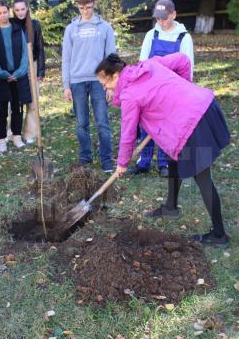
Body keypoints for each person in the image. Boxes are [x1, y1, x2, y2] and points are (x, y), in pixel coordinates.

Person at [96, 53, 231, 248]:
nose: (104, 87)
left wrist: (121, 164)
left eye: (104, 82)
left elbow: (128, 135)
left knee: (203, 178)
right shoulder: (149, 64)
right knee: (172, 158)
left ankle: (219, 236)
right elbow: (183, 60)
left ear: (116, 75)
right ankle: (170, 207)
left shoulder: (130, 96)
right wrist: (183, 92)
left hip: (194, 123)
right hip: (203, 106)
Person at [131, 0, 196, 220]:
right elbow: (142, 62)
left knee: (166, 131)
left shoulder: (183, 37)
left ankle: (164, 164)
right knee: (146, 127)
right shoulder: (152, 35)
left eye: (164, 17)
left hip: (173, 92)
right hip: (151, 90)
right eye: (157, 18)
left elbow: (188, 66)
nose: (161, 21)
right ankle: (143, 162)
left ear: (173, 15)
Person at [62, 0, 116, 173]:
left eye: (89, 7)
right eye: (82, 8)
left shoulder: (105, 28)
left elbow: (111, 57)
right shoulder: (71, 29)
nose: (86, 11)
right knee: (81, 123)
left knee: (102, 122)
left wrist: (110, 85)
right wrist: (65, 85)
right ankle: (85, 158)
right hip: (77, 82)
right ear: (77, 7)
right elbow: (66, 58)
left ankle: (107, 160)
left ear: (94, 4)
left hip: (98, 82)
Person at [0, 0, 32, 155]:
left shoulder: (18, 28)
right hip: (1, 77)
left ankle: (17, 137)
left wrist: (18, 72)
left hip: (18, 75)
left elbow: (25, 53)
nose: (3, 15)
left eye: (5, 12)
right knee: (1, 110)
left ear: (9, 12)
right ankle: (2, 141)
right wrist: (1, 73)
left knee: (18, 107)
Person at [11, 0, 45, 144]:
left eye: (22, 9)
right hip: (16, 67)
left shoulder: (35, 25)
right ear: (13, 10)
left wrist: (40, 71)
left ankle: (30, 132)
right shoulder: (10, 25)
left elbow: (40, 48)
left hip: (32, 64)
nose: (20, 12)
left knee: (33, 101)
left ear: (27, 9)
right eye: (17, 10)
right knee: (15, 101)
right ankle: (12, 132)